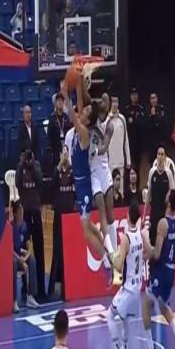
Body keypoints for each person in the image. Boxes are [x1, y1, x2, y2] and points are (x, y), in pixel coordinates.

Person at [63, 76, 114, 287]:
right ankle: (108, 250)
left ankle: (106, 263)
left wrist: (65, 93)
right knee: (89, 225)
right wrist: (78, 83)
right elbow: (80, 104)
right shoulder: (81, 128)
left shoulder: (83, 132)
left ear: (86, 119)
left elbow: (72, 113)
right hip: (80, 182)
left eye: (84, 111)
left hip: (84, 184)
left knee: (85, 230)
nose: (81, 111)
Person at [142, 190, 175, 349]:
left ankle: (150, 348)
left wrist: (146, 241)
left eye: (166, 195)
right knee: (162, 305)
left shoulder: (163, 223)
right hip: (172, 269)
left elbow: (157, 254)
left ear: (168, 202)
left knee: (146, 303)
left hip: (161, 270)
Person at [107, 202, 148, 349]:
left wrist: (112, 254)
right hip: (137, 288)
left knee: (110, 316)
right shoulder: (140, 234)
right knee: (124, 319)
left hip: (128, 288)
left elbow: (118, 266)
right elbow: (145, 255)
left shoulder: (126, 238)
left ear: (128, 216)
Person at [89, 92, 118, 262]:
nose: (104, 102)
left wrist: (95, 150)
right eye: (102, 100)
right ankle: (109, 255)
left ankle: (115, 252)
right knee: (101, 210)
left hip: (104, 169)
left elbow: (105, 146)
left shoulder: (110, 125)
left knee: (110, 214)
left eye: (106, 100)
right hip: (93, 172)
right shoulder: (92, 119)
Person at [15, 149, 46, 299]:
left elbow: (40, 182)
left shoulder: (36, 165)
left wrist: (32, 165)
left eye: (29, 157)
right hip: (25, 213)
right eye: (25, 157)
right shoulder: (20, 167)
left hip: (35, 211)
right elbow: (17, 184)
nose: (27, 159)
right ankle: (24, 289)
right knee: (24, 250)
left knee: (39, 250)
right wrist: (22, 165)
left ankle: (41, 289)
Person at [48, 147, 75, 296]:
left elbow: (76, 189)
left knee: (69, 252)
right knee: (57, 251)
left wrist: (70, 164)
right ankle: (51, 288)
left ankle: (68, 287)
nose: (65, 155)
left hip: (70, 218)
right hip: (59, 218)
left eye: (66, 152)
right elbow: (51, 186)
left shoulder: (72, 171)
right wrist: (59, 165)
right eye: (63, 153)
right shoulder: (56, 172)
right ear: (59, 155)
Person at [11, 201, 41, 313]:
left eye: (22, 211)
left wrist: (26, 257)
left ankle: (30, 297)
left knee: (32, 259)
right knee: (13, 263)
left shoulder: (25, 226)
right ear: (15, 213)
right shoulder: (10, 227)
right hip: (14, 257)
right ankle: (13, 301)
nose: (22, 213)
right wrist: (20, 260)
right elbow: (9, 249)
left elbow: (29, 246)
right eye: (19, 211)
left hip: (22, 256)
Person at [145, 145, 175, 246]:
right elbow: (148, 194)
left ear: (165, 157)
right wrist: (145, 215)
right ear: (156, 156)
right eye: (159, 154)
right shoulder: (152, 172)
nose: (160, 157)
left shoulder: (168, 173)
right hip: (154, 213)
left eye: (162, 154)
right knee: (153, 242)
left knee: (164, 242)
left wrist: (170, 214)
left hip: (164, 214)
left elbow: (172, 193)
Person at [108, 96, 131, 194]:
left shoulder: (122, 119)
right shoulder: (106, 120)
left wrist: (128, 159)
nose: (115, 104)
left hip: (120, 160)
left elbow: (126, 140)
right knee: (110, 188)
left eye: (116, 102)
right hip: (109, 162)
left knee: (120, 190)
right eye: (113, 102)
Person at [47, 93, 71, 170]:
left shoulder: (66, 118)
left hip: (66, 147)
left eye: (62, 101)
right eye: (58, 101)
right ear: (55, 103)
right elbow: (49, 136)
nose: (60, 102)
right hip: (56, 149)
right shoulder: (52, 119)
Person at [124, 88, 145, 171]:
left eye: (136, 94)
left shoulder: (141, 109)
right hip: (129, 141)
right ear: (130, 96)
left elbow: (143, 124)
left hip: (138, 141)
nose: (134, 97)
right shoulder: (126, 109)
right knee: (129, 164)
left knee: (137, 165)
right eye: (133, 95)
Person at [146, 93, 167, 166]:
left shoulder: (162, 109)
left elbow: (163, 124)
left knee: (162, 163)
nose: (153, 100)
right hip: (151, 142)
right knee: (152, 164)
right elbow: (147, 126)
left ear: (157, 99)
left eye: (154, 98)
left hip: (161, 141)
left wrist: (155, 117)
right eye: (151, 98)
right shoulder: (147, 110)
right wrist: (152, 116)